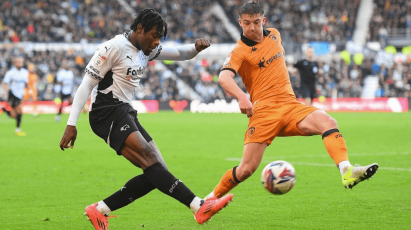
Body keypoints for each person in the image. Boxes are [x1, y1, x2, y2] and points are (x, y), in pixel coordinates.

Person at [59, 8, 233, 230]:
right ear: (139, 29)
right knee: (151, 162)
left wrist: (195, 48)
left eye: (160, 37)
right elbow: (86, 85)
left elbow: (180, 54)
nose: (156, 42)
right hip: (106, 112)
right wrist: (71, 124)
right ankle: (199, 206)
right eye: (154, 35)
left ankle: (100, 209)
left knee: (158, 171)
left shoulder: (146, 48)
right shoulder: (112, 48)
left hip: (124, 110)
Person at [205, 1, 378, 201]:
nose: (251, 27)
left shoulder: (275, 35)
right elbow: (224, 78)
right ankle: (206, 202)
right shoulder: (239, 51)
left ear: (264, 20)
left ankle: (347, 172)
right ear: (240, 23)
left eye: (255, 22)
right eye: (246, 23)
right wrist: (242, 97)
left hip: (290, 106)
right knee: (245, 170)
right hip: (264, 113)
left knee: (328, 122)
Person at [1, 57, 28, 136]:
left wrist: (28, 93)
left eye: (21, 61)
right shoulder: (11, 73)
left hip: (20, 95)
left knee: (13, 115)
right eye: (18, 62)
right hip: (12, 94)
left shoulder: (25, 72)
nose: (20, 63)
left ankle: (4, 110)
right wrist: (6, 90)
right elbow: (4, 84)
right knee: (19, 111)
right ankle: (18, 130)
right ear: (15, 63)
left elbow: (26, 84)